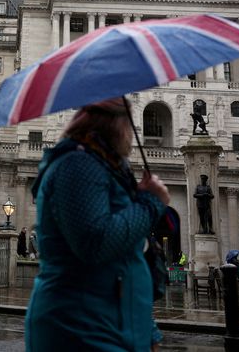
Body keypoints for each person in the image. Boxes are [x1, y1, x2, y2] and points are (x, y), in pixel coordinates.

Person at [25, 97, 169, 352]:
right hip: (81, 326)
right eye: (130, 124)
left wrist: (147, 330)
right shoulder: (78, 164)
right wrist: (150, 203)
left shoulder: (104, 166)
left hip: (107, 321)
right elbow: (95, 242)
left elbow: (123, 259)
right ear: (119, 125)